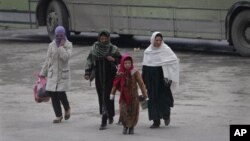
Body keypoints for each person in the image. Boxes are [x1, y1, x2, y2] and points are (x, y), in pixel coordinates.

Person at [84, 30, 121, 130]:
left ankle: (104, 120)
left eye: (105, 38)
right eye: (102, 38)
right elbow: (90, 60)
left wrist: (112, 59)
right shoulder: (95, 48)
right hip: (99, 77)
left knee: (107, 96)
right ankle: (109, 114)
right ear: (99, 38)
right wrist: (87, 73)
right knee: (102, 96)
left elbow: (121, 60)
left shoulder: (113, 48)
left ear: (108, 38)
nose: (103, 40)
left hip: (110, 77)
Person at [142, 31, 179, 128]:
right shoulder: (147, 51)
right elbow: (145, 67)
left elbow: (174, 61)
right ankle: (156, 121)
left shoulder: (166, 49)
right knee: (152, 99)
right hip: (150, 79)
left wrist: (170, 77)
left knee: (163, 98)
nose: (158, 42)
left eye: (160, 40)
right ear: (152, 40)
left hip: (163, 79)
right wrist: (143, 81)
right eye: (156, 40)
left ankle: (166, 115)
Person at [40, 26, 73, 123]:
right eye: (57, 35)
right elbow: (47, 60)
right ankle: (58, 116)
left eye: (61, 35)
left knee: (61, 93)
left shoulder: (68, 45)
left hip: (63, 74)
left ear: (64, 34)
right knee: (53, 95)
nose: (59, 37)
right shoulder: (51, 45)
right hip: (52, 74)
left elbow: (66, 57)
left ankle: (67, 108)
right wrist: (43, 73)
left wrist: (60, 47)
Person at [110, 54, 148, 134]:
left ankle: (131, 127)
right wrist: (112, 94)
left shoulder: (135, 71)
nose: (127, 65)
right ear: (123, 63)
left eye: (129, 63)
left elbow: (141, 83)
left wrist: (145, 95)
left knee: (133, 111)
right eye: (126, 63)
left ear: (131, 63)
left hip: (134, 95)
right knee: (124, 110)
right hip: (124, 95)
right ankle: (125, 126)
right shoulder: (120, 72)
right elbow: (115, 83)